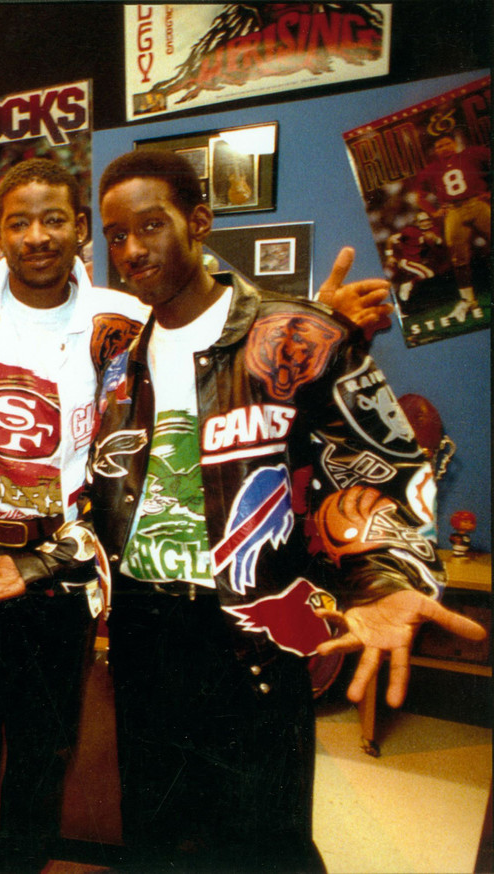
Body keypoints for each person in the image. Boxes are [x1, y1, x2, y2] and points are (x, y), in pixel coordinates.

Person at [83, 148, 485, 871]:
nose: (133, 249)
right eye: (116, 234)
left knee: (265, 844)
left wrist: (390, 580)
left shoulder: (295, 338)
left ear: (200, 221)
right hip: (146, 630)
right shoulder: (119, 355)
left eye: (151, 225)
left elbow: (381, 469)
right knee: (155, 833)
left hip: (256, 634)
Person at [0, 159, 147, 874]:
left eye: (54, 220)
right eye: (19, 221)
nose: (36, 236)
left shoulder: (123, 325)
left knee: (45, 743)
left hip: (57, 562)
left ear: (81, 229)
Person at [412, 135, 491, 319]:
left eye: (447, 143)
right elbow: (419, 197)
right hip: (453, 211)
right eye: (440, 146)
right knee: (458, 258)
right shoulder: (431, 170)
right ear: (436, 151)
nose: (444, 148)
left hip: (477, 204)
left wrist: (488, 192)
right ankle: (468, 300)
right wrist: (434, 212)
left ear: (455, 144)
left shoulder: (471, 154)